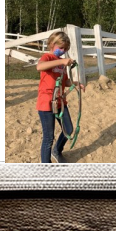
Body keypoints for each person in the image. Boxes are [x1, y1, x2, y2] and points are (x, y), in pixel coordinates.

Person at [36, 31, 85, 163]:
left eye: (65, 49)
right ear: (52, 44)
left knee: (68, 129)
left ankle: (57, 151)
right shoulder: (47, 58)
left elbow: (65, 81)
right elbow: (40, 67)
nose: (63, 51)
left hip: (60, 102)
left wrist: (75, 83)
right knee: (48, 137)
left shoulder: (61, 63)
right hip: (46, 103)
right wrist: (62, 61)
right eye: (61, 48)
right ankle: (46, 166)